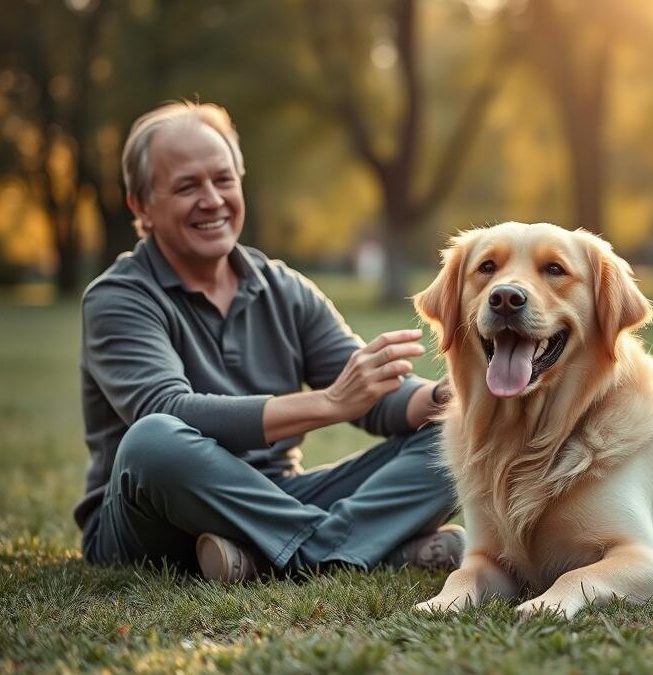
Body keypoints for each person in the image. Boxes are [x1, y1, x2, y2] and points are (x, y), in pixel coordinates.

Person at [75, 101, 459, 582]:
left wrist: (451, 397)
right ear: (141, 206)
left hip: (277, 502)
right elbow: (167, 408)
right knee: (152, 439)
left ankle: (268, 555)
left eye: (223, 179)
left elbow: (375, 395)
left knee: (459, 430)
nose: (212, 199)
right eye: (187, 186)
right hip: (152, 518)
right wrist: (330, 403)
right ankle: (349, 548)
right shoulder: (118, 297)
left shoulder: (283, 287)